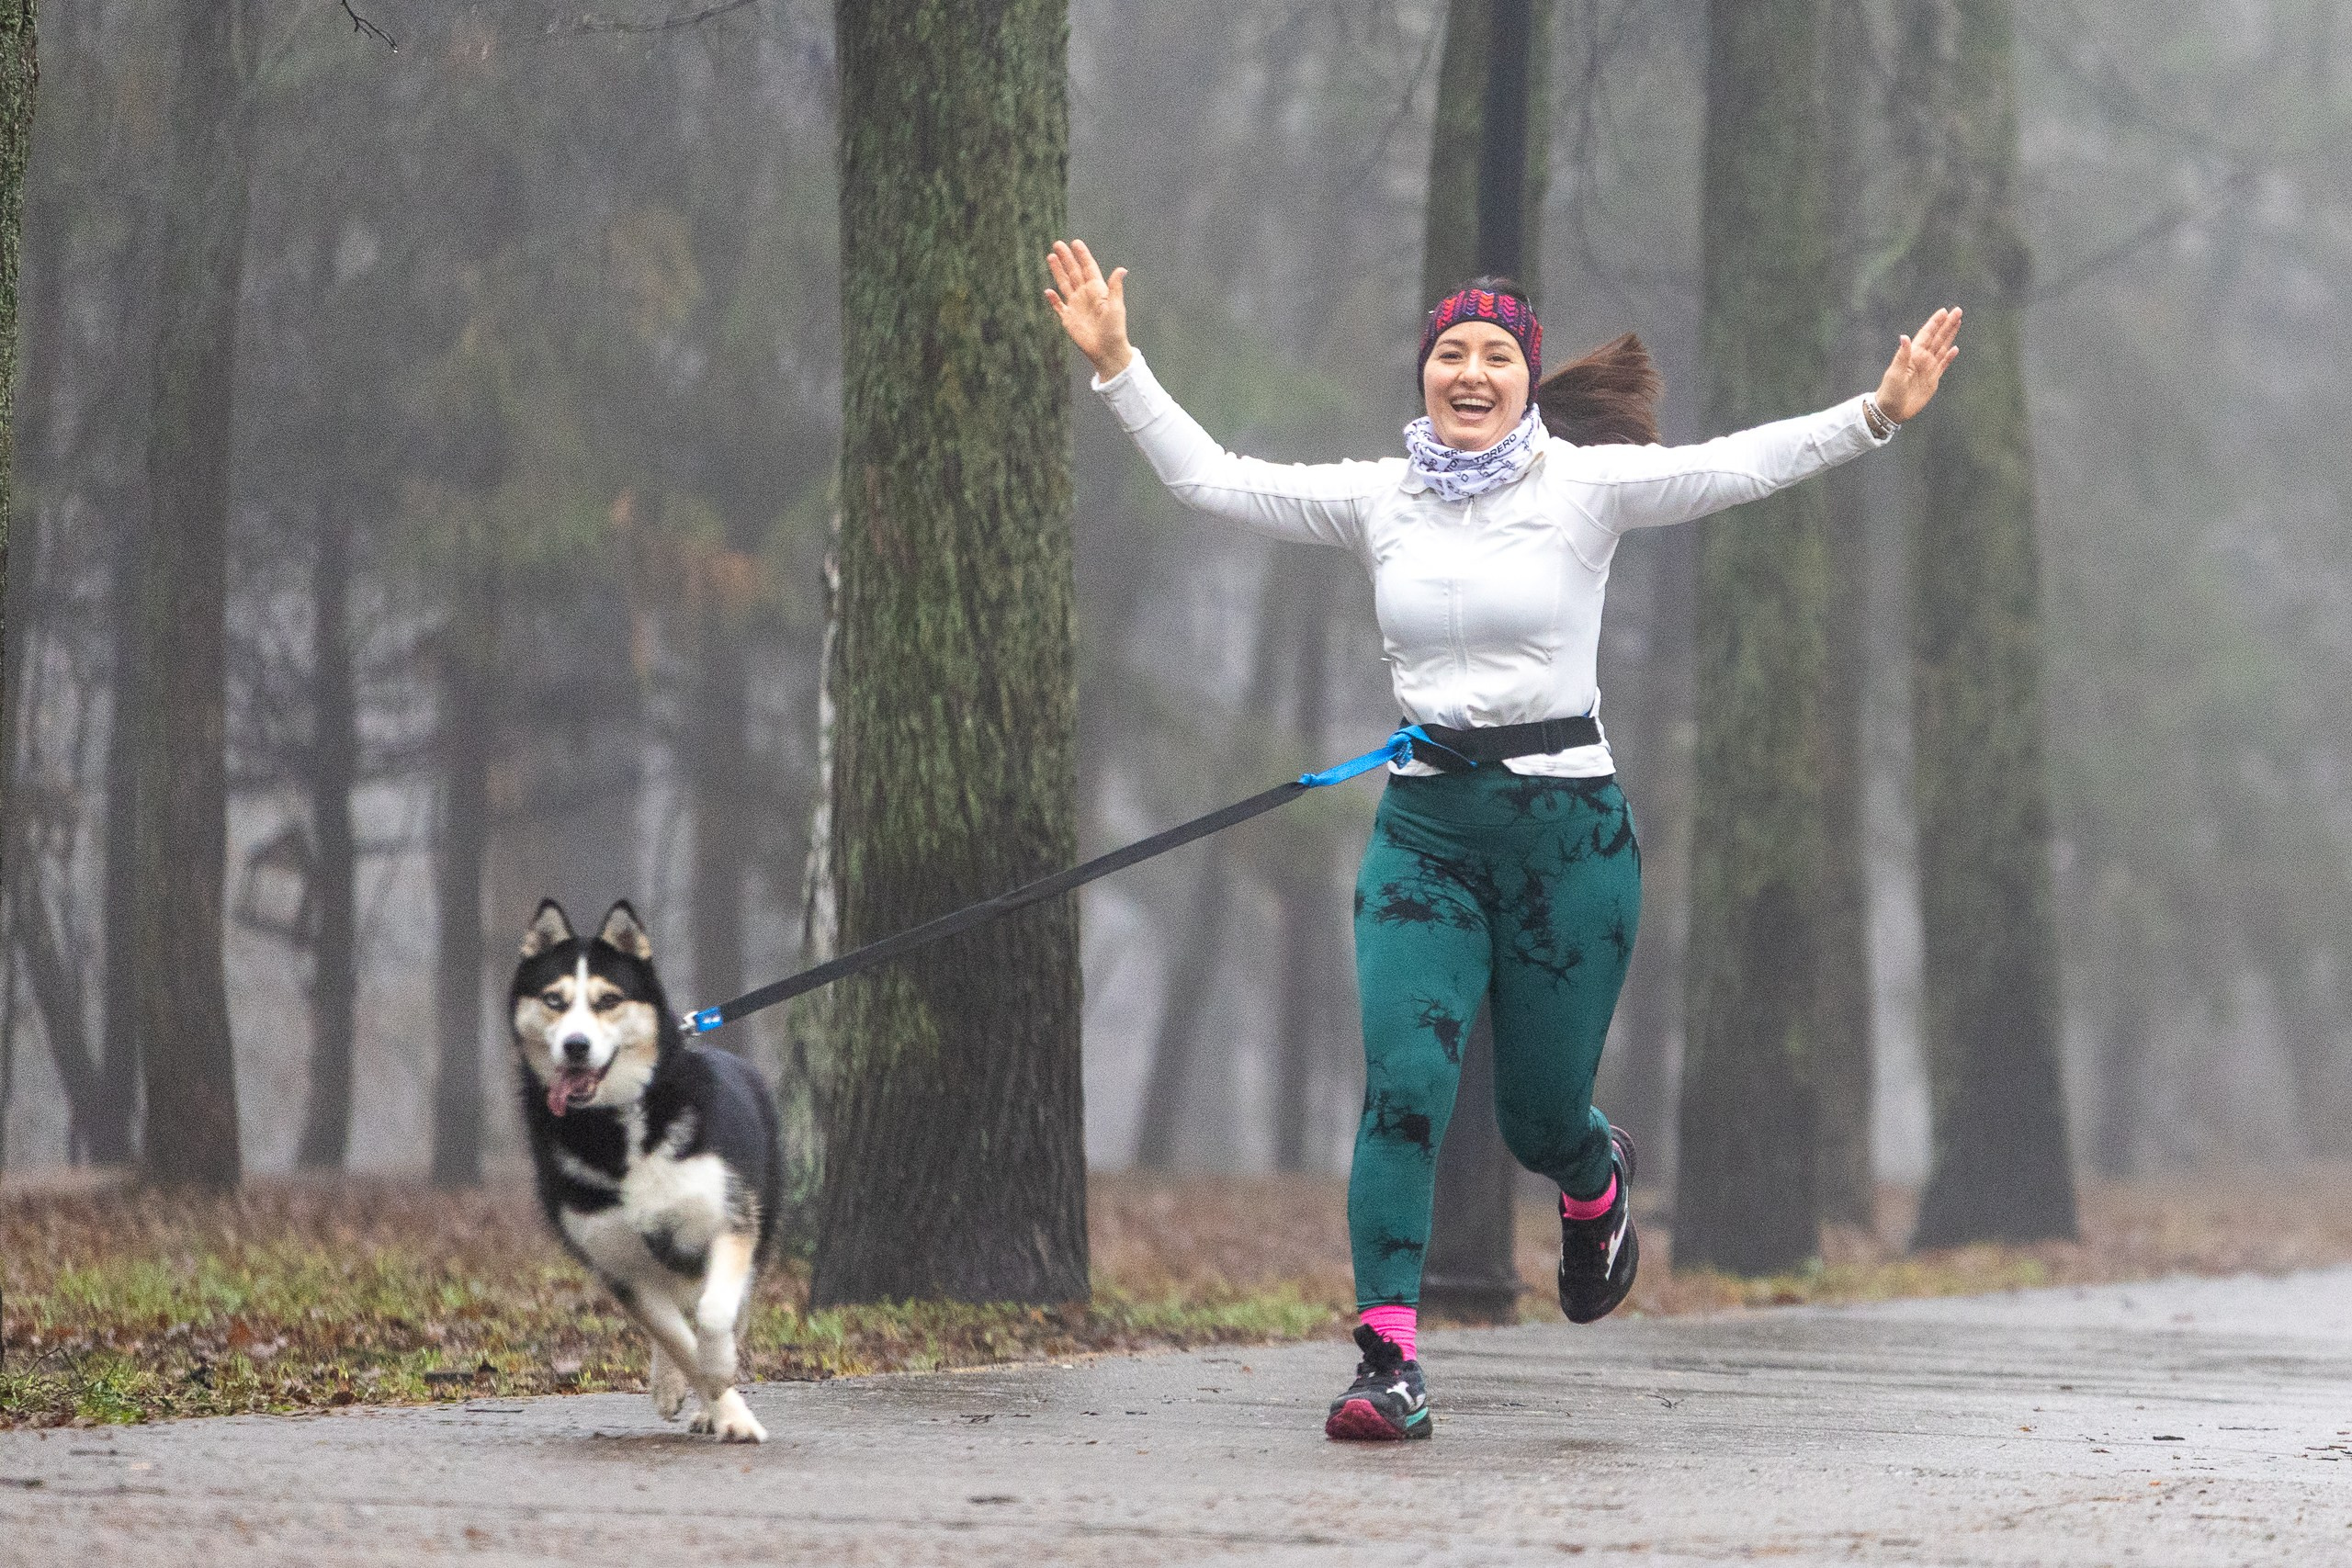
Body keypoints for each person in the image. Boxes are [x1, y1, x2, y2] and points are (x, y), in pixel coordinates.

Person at [1046, 238, 1959, 1442]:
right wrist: (1120, 368)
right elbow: (1213, 479)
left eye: (1493, 354)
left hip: (1568, 844)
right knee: (1406, 1092)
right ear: (1424, 374)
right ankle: (1388, 1365)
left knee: (1537, 1118)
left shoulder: (1585, 489)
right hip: (1427, 835)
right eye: (1448, 353)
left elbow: (1740, 465)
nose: (1469, 371)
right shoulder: (1382, 499)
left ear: (1527, 378)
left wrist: (1875, 418)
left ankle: (1593, 1181)